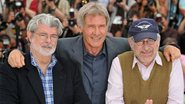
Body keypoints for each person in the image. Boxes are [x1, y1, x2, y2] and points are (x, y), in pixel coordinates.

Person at [8, 2, 181, 104]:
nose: (96, 32)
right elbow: (40, 49)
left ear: (107, 27)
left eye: (101, 26)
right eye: (91, 26)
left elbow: (145, 48)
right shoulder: (63, 47)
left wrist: (167, 47)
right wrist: (14, 52)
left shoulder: (120, 46)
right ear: (81, 27)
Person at [0, 13, 91, 104]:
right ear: (30, 36)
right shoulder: (12, 70)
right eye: (43, 35)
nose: (48, 41)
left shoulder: (71, 68)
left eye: (53, 36)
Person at [106, 18, 184, 104]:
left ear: (158, 41)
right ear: (131, 44)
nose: (146, 47)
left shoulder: (172, 62)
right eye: (140, 41)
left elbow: (176, 101)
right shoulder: (119, 62)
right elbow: (113, 101)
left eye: (150, 40)